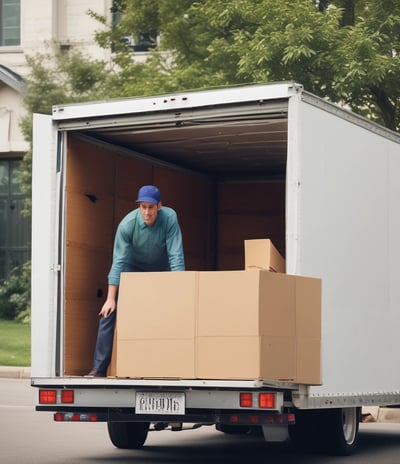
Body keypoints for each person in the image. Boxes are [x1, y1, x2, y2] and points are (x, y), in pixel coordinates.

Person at [86, 185, 185, 377]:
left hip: (161, 268)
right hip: (133, 268)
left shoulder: (170, 218)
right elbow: (118, 262)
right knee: (108, 313)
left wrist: (179, 291)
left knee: (175, 310)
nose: (147, 212)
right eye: (143, 207)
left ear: (159, 206)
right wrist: (111, 299)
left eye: (151, 207)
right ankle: (98, 367)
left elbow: (176, 256)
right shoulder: (127, 225)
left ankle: (175, 365)